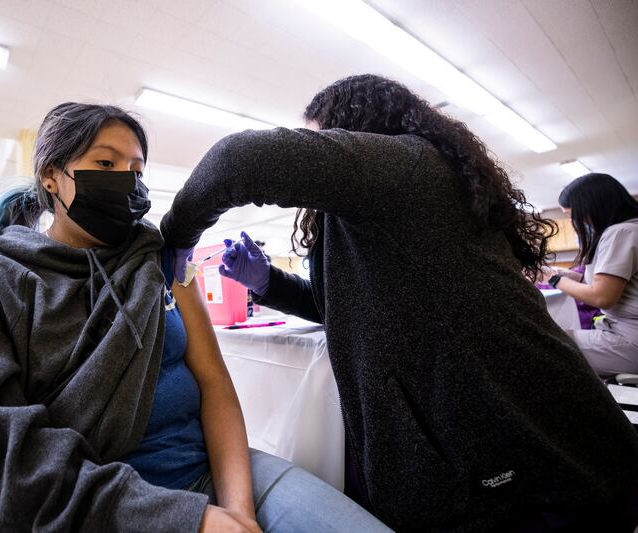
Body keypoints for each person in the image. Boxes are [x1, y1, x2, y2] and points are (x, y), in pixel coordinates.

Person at [160, 75, 638, 532]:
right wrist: (268, 282)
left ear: (357, 130)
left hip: (530, 450)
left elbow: (239, 159)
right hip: (481, 450)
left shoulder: (410, 167)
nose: (321, 157)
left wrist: (175, 235)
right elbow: (344, 312)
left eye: (322, 139)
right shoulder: (373, 217)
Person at [0, 102, 390, 532]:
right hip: (96, 511)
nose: (125, 181)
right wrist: (193, 522)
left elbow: (215, 384)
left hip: (211, 474)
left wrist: (238, 512)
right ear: (51, 175)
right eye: (106, 164)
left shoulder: (160, 260)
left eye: (136, 169)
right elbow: (1, 462)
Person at [542, 173, 638, 376]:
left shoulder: (620, 233)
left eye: (571, 216)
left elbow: (601, 297)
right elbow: (611, 282)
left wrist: (553, 279)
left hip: (631, 340)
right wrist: (568, 275)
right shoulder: (631, 228)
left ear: (592, 208)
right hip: (626, 333)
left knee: (544, 343)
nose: (574, 223)